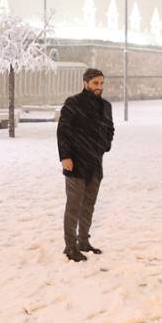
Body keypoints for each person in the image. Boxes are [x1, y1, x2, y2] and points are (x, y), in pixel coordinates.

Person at [57, 68, 114, 262]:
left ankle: (83, 241)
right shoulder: (72, 103)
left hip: (95, 163)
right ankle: (70, 246)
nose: (99, 87)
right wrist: (65, 157)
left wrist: (105, 145)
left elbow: (110, 129)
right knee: (74, 205)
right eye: (95, 83)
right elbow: (63, 131)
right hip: (75, 162)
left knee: (89, 204)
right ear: (86, 83)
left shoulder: (106, 106)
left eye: (101, 83)